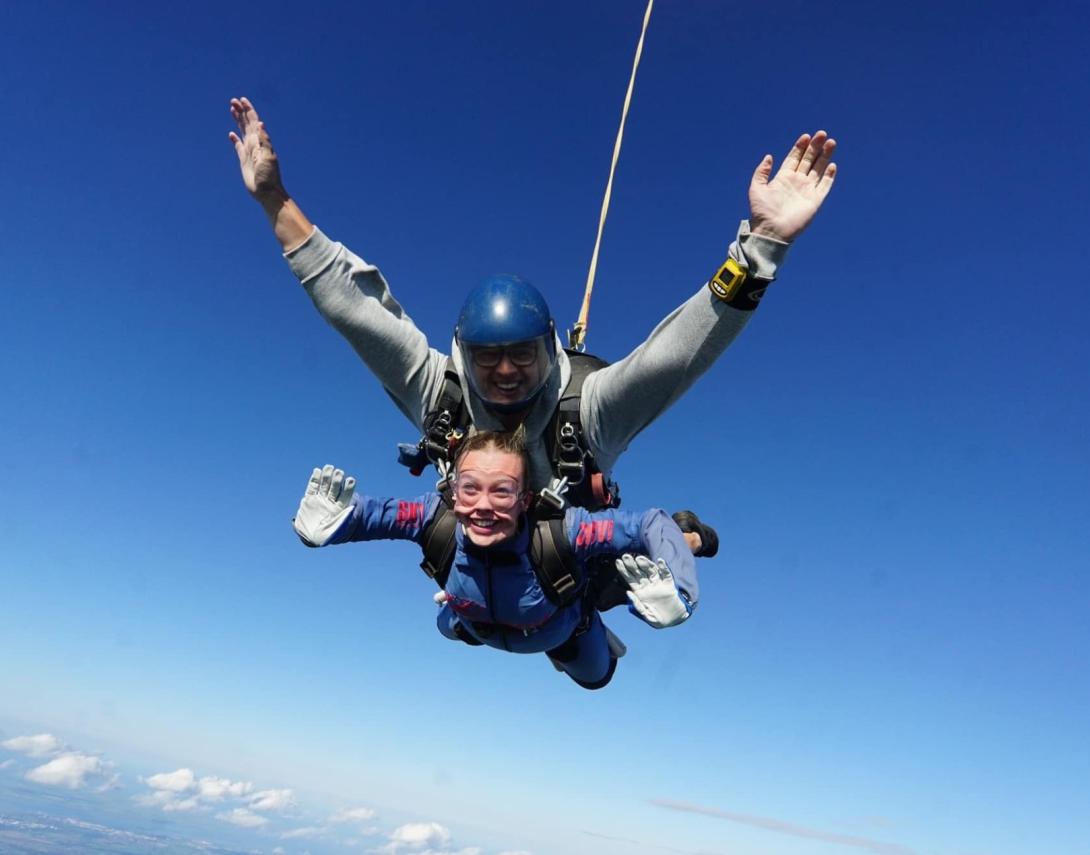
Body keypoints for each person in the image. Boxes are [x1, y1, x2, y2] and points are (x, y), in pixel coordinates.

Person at [228, 96, 837, 500]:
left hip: (558, 584)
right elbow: (353, 309)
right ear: (462, 355)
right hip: (473, 577)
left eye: (523, 354)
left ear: (551, 349)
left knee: (579, 643)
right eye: (487, 357)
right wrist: (273, 199)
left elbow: (678, 355)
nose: (506, 372)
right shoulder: (443, 394)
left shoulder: (590, 411)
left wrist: (763, 245)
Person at [292, 431, 713, 690]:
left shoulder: (565, 532)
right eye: (470, 488)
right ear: (453, 491)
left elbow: (648, 524)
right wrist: (332, 527)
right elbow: (371, 514)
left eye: (503, 492)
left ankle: (689, 535)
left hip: (561, 624)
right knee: (448, 625)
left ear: (525, 500)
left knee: (597, 677)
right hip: (476, 619)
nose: (483, 506)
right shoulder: (432, 519)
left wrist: (680, 591)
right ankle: (470, 609)